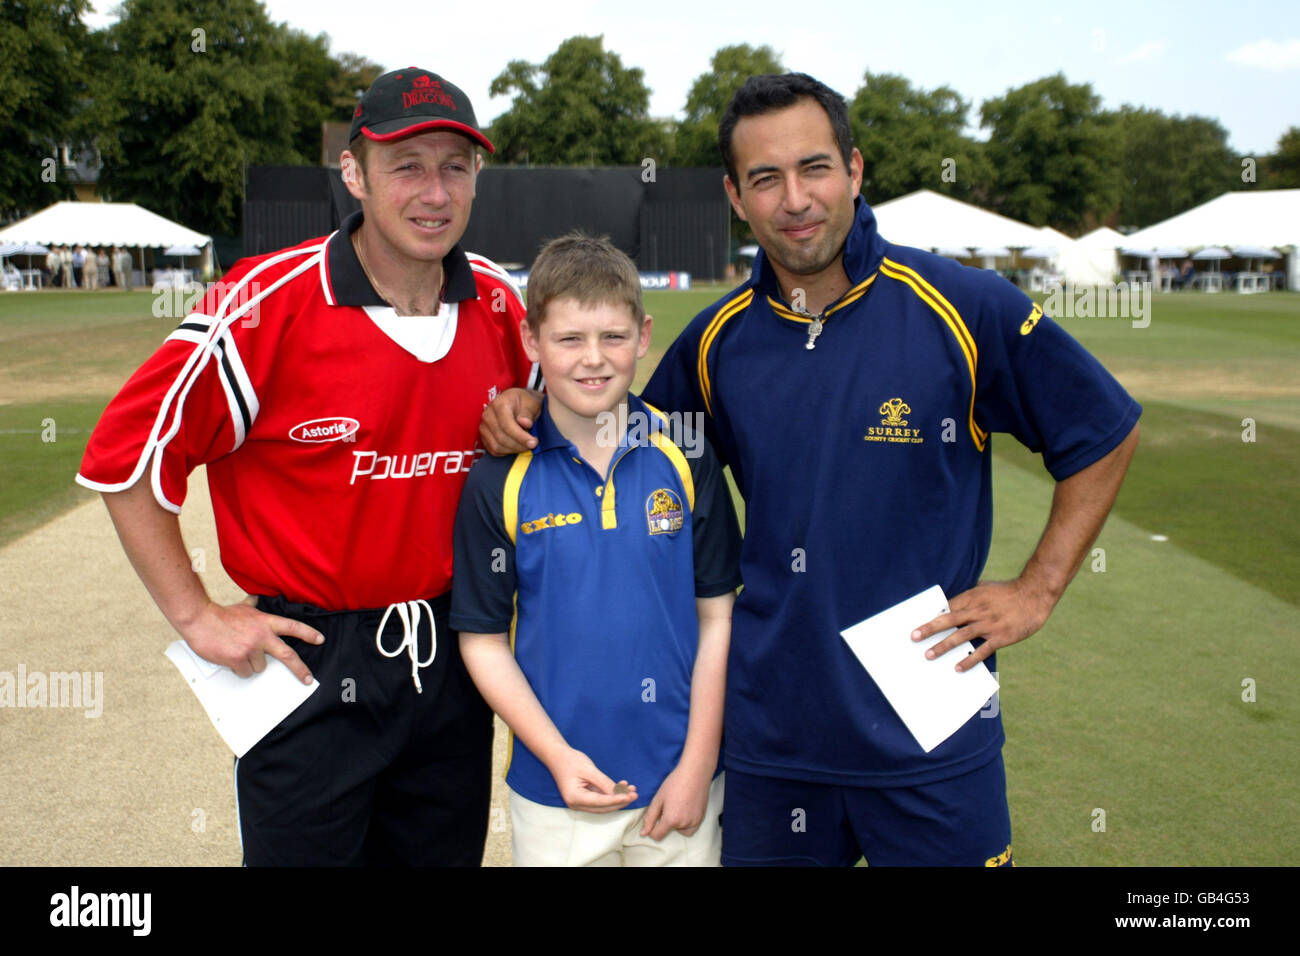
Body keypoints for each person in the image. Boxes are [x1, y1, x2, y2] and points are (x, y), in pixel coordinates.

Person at [482, 72, 1141, 867]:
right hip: (773, 737)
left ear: (855, 171)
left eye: (814, 168)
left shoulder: (964, 307)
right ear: (736, 196)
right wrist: (520, 405)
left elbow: (1103, 429)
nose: (794, 198)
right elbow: (618, 433)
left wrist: (1037, 589)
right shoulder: (718, 342)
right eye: (766, 178)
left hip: (930, 724)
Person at [77, 66, 540, 866]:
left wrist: (526, 418)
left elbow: (570, 439)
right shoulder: (264, 302)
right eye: (407, 166)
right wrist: (197, 617)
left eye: (455, 167)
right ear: (354, 173)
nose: (434, 192)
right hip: (310, 663)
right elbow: (127, 456)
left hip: (456, 658)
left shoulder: (500, 304)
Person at [452, 235, 742, 866]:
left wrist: (698, 764)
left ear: (642, 335)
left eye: (613, 337)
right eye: (569, 339)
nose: (593, 360)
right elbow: (482, 640)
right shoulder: (497, 478)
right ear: (531, 342)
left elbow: (718, 618)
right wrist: (557, 757)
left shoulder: (687, 453)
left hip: (679, 786)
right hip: (555, 790)